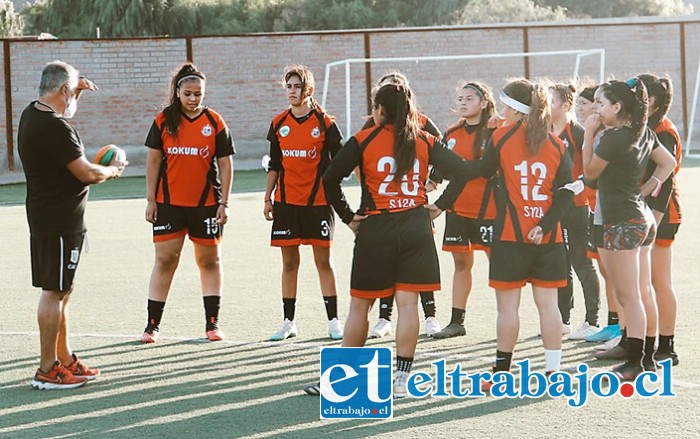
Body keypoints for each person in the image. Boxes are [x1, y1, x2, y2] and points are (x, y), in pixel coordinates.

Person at [314, 82, 478, 397]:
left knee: (361, 305)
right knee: (407, 304)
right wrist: (440, 206)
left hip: (376, 227)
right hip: (416, 226)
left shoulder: (364, 139)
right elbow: (464, 171)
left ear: (380, 110)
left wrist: (349, 217)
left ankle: (339, 381)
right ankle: (401, 380)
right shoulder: (425, 140)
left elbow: (330, 178)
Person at [18, 61, 126, 389]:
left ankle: (64, 359)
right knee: (53, 291)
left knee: (62, 288)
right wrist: (113, 170)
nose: (74, 96)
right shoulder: (56, 128)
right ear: (62, 89)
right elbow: (86, 173)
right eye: (72, 89)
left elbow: (65, 113)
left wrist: (75, 91)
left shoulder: (32, 114)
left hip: (51, 217)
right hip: (58, 221)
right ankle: (47, 369)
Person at [478, 79, 574, 391]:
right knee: (549, 306)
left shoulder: (501, 136)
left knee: (508, 309)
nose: (502, 112)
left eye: (506, 106)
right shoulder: (557, 145)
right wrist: (543, 227)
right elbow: (564, 195)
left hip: (509, 237)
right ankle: (553, 372)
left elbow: (483, 170)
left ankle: (501, 373)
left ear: (519, 112)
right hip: (548, 240)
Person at [582, 78, 674, 380]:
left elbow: (591, 177)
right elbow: (668, 163)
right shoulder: (643, 132)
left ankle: (635, 362)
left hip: (622, 220)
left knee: (629, 296)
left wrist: (588, 137)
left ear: (617, 106)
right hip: (641, 217)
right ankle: (647, 359)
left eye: (600, 103)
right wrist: (648, 188)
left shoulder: (612, 137)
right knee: (641, 291)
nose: (596, 108)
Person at [141, 62, 234, 343]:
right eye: (188, 94)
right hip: (168, 204)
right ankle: (152, 325)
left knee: (209, 260)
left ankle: (212, 324)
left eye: (198, 94)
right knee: (165, 260)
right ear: (177, 92)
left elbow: (226, 165)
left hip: (206, 205)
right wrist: (150, 200)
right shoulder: (163, 120)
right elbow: (153, 161)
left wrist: (224, 203)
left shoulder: (214, 122)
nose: (193, 99)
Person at [263, 65, 344, 341]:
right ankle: (289, 322)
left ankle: (334, 321)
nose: (292, 91)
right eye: (289, 86)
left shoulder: (325, 123)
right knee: (289, 263)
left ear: (308, 89)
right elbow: (274, 164)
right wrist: (267, 198)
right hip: (285, 203)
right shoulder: (278, 123)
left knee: (324, 261)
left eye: (297, 86)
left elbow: (341, 160)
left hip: (319, 203)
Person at [364, 71, 442, 339]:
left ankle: (431, 316)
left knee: (421, 260)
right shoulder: (371, 125)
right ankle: (384, 319)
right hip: (385, 210)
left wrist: (434, 181)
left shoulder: (421, 122)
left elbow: (443, 150)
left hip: (413, 205)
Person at [429, 81, 497, 339]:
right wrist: (431, 182)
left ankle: (507, 318)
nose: (463, 102)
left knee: (498, 266)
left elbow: (478, 169)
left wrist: (440, 203)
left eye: (470, 98)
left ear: (483, 103)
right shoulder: (451, 133)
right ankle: (457, 322)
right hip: (458, 210)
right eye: (460, 98)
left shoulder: (495, 131)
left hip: (489, 210)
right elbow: (442, 166)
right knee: (461, 264)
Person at [550, 83, 601, 339]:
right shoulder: (543, 133)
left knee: (581, 261)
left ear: (565, 105)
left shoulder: (578, 133)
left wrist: (578, 183)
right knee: (559, 264)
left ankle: (592, 320)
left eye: (551, 101)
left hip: (577, 207)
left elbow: (592, 165)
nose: (546, 106)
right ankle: (563, 320)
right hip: (552, 209)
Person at [638, 74, 682, 366]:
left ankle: (667, 346)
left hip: (662, 213)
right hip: (644, 210)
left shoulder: (663, 130)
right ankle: (638, 341)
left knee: (659, 281)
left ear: (650, 100)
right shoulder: (644, 126)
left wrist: (653, 219)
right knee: (642, 281)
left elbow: (664, 182)